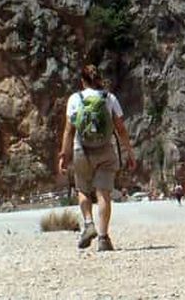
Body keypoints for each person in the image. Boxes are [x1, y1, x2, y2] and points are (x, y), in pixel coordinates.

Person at [58, 64, 136, 252]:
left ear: (82, 81)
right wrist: (129, 152)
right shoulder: (109, 98)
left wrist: (64, 155)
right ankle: (103, 238)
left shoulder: (75, 99)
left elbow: (69, 130)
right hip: (105, 150)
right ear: (99, 79)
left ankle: (88, 223)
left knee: (83, 190)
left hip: (81, 150)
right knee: (104, 194)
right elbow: (121, 129)